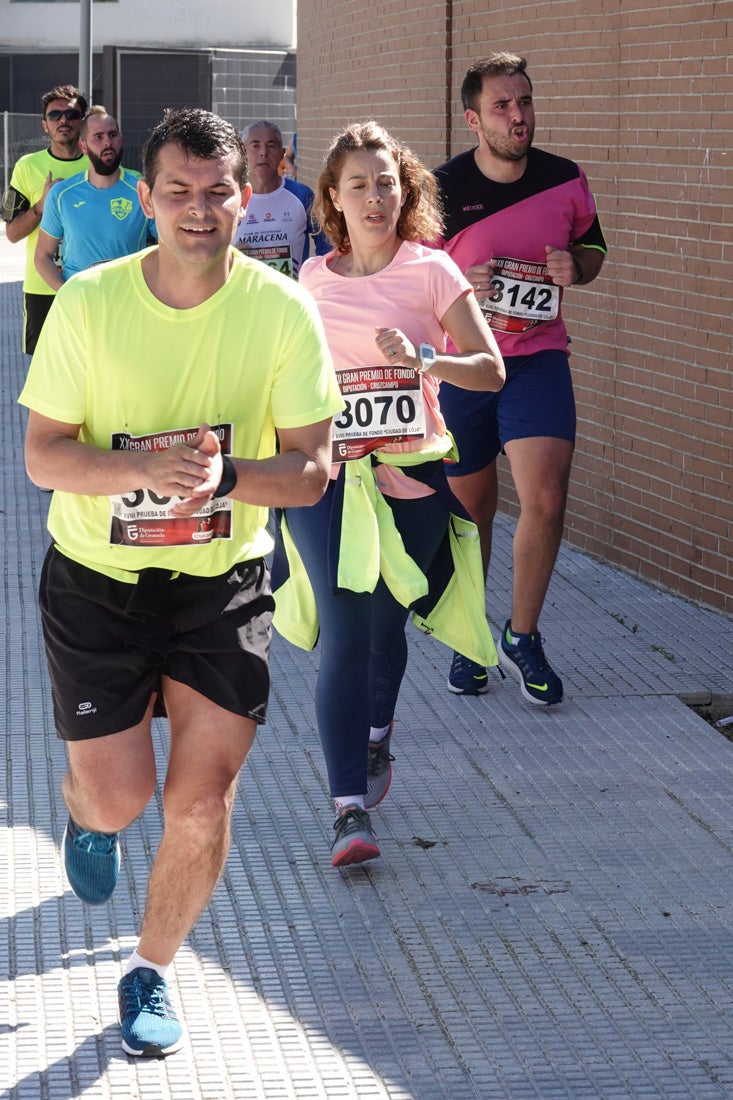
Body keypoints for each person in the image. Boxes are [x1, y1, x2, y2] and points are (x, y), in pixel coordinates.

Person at [18, 107, 341, 1058]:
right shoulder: (89, 301)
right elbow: (42, 457)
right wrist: (143, 474)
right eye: (178, 193)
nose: (198, 211)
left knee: (201, 804)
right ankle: (85, 810)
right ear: (147, 199)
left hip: (224, 578)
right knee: (121, 800)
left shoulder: (282, 309)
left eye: (216, 192)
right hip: (97, 578)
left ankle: (151, 970)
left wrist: (229, 479)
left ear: (245, 195)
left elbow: (313, 469)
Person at [273, 121, 505, 868]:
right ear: (332, 199)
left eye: (385, 182)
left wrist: (430, 359)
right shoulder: (309, 280)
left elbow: (491, 370)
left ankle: (377, 733)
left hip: (411, 477)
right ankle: (346, 812)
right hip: (330, 480)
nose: (374, 197)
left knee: (384, 631)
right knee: (344, 632)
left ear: (404, 190)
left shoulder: (432, 271)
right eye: (357, 185)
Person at [433, 52, 607, 704]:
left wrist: (574, 268)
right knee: (471, 508)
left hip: (536, 360)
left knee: (546, 498)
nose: (518, 117)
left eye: (524, 103)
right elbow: (415, 278)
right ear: (473, 118)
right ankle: (467, 636)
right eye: (503, 107)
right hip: (468, 366)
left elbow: (593, 246)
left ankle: (521, 635)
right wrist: (458, 285)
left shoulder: (564, 179)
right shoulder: (442, 187)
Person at [1, 84, 89, 354]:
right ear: (44, 125)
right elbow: (13, 234)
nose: (63, 120)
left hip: (90, 286)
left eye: (72, 115)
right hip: (42, 288)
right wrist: (42, 205)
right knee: (42, 375)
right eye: (55, 115)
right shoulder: (27, 166)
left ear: (82, 123)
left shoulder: (98, 165)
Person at [34, 106, 155, 290]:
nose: (107, 142)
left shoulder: (142, 191)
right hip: (81, 306)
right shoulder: (61, 194)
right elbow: (42, 257)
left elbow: (169, 246)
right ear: (83, 146)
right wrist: (65, 294)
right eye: (98, 137)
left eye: (113, 134)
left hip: (128, 302)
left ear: (121, 140)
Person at [233, 120, 328, 278]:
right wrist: (231, 257)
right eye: (255, 145)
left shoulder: (302, 196)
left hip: (289, 298)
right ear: (242, 152)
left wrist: (318, 278)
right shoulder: (229, 197)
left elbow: (328, 245)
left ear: (282, 154)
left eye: (271, 145)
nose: (263, 152)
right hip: (243, 296)